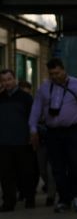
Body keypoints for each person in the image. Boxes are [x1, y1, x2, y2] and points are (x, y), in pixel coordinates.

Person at [29, 57, 77, 213]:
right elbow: (36, 109)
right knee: (57, 167)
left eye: (57, 73)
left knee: (74, 164)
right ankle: (64, 199)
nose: (55, 76)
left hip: (73, 130)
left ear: (64, 70)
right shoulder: (44, 88)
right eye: (52, 74)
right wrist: (33, 129)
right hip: (53, 132)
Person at [0, 69, 37, 211]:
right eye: (3, 80)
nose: (6, 83)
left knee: (26, 172)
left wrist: (32, 135)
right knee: (5, 174)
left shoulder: (25, 97)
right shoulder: (0, 97)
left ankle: (29, 198)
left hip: (22, 141)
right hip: (4, 143)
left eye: (9, 79)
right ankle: (8, 202)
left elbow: (32, 118)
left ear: (14, 79)